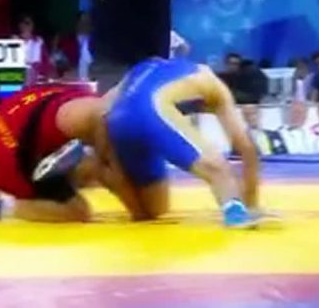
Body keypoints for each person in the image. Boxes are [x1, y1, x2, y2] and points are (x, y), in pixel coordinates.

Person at [0, 84, 144, 225]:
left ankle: (8, 193)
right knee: (77, 212)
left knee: (91, 165)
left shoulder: (87, 100)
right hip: (5, 151)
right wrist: (141, 214)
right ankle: (2, 204)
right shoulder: (100, 119)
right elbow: (115, 177)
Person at [102, 57, 263, 228]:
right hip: (150, 109)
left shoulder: (147, 67)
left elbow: (104, 105)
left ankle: (103, 180)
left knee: (155, 208)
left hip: (117, 121)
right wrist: (251, 203)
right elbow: (245, 146)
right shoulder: (215, 86)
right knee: (220, 171)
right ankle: (237, 215)